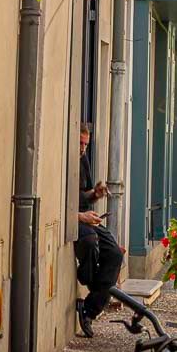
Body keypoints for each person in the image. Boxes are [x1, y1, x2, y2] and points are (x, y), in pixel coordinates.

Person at [75, 124, 124, 338]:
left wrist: (96, 193)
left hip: (87, 217)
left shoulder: (82, 159)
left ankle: (89, 307)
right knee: (89, 240)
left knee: (114, 253)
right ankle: (91, 283)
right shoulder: (63, 159)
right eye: (79, 143)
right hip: (74, 218)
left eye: (86, 144)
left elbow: (84, 195)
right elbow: (56, 201)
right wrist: (78, 216)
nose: (83, 148)